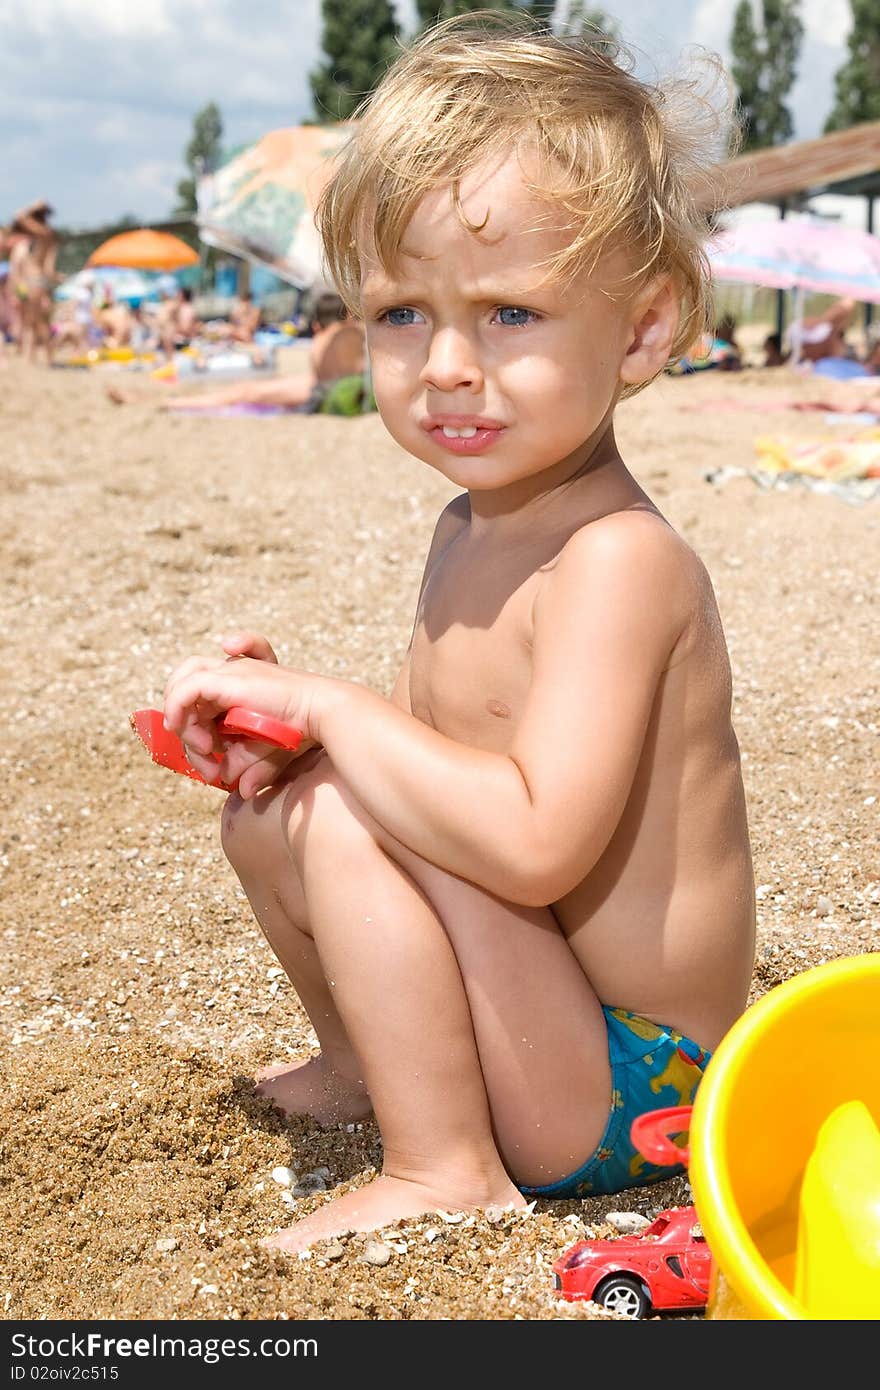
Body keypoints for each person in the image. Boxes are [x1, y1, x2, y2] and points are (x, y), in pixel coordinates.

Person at [161, 13, 755, 1253]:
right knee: (285, 805)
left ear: (642, 330)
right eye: (397, 315)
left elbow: (531, 844)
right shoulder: (466, 526)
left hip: (631, 1083)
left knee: (340, 793)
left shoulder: (617, 560)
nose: (444, 365)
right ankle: (365, 1065)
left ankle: (444, 1163)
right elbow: (436, 783)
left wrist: (338, 716)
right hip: (538, 1015)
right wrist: (291, 734)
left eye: (510, 316)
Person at [107, 290, 366, 411]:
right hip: (340, 387)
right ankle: (158, 400)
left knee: (244, 392)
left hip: (321, 391)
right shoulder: (358, 332)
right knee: (249, 389)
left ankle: (164, 402)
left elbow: (320, 373)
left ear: (318, 323)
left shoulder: (322, 340)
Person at [7, 198, 60, 364]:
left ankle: (42, 357)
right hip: (38, 281)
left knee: (36, 322)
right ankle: (33, 357)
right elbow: (48, 267)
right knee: (36, 321)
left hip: (34, 282)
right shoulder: (47, 236)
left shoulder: (43, 234)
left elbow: (19, 216)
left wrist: (33, 206)